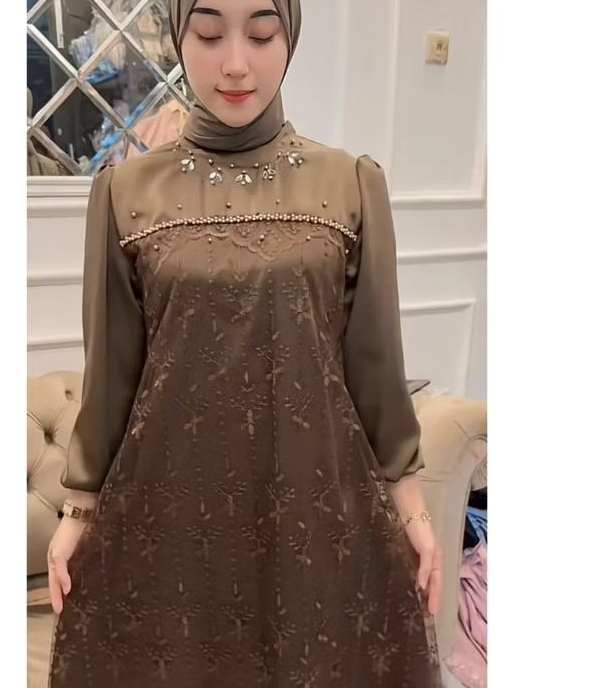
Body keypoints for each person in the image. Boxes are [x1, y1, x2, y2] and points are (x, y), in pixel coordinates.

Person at [47, 1, 443, 686]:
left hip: (315, 508)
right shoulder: (126, 191)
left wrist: (412, 511)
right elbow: (112, 374)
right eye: (208, 34)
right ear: (179, 36)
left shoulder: (349, 183)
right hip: (171, 514)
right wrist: (79, 511)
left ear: (291, 34)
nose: (235, 63)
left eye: (261, 34)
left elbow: (375, 368)